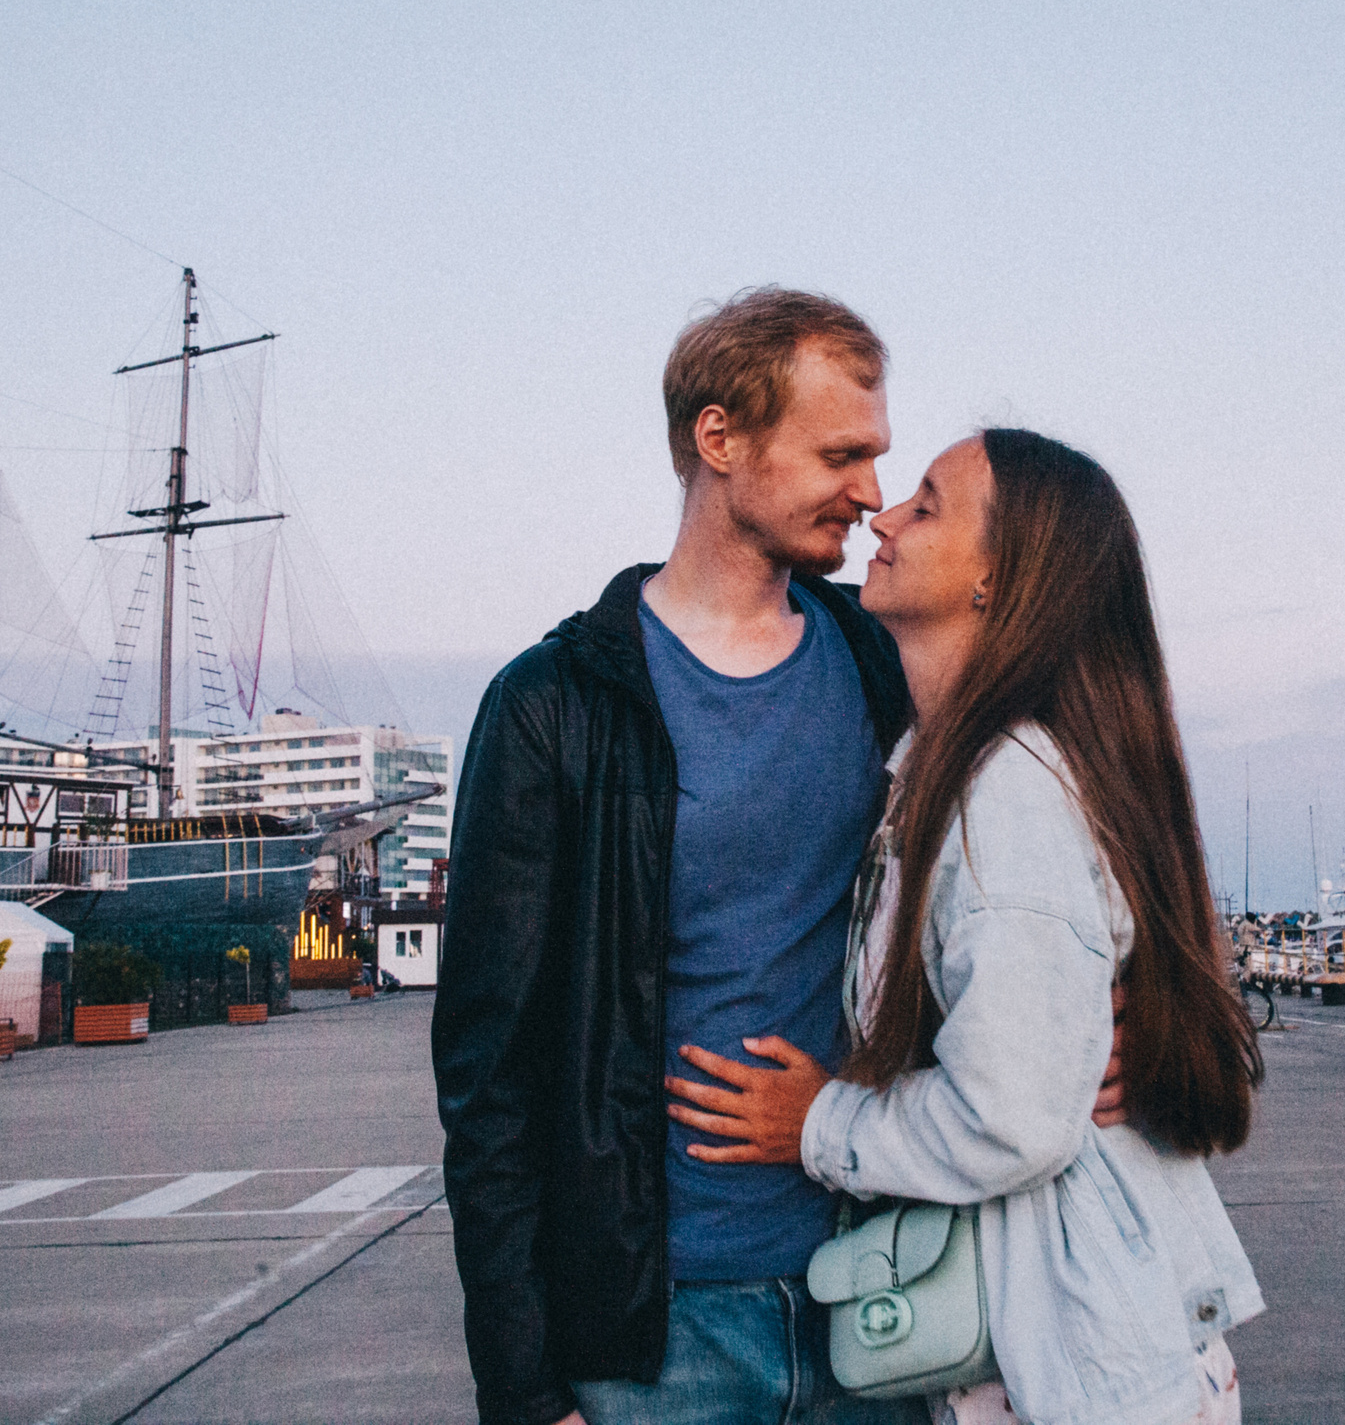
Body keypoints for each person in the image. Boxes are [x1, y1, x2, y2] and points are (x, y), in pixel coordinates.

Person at [665, 429, 1265, 1425]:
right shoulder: (946, 768)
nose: (883, 516)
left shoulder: (1007, 792)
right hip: (1051, 1348)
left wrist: (815, 1122)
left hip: (1071, 1371)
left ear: (999, 579)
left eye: (928, 505)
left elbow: (1010, 1118)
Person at [431, 289, 923, 1425]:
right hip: (654, 1336)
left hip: (877, 1291)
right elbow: (487, 1065)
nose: (871, 492)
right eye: (840, 453)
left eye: (878, 457)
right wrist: (521, 1379)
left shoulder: (884, 666)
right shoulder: (554, 703)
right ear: (720, 439)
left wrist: (1113, 1030)